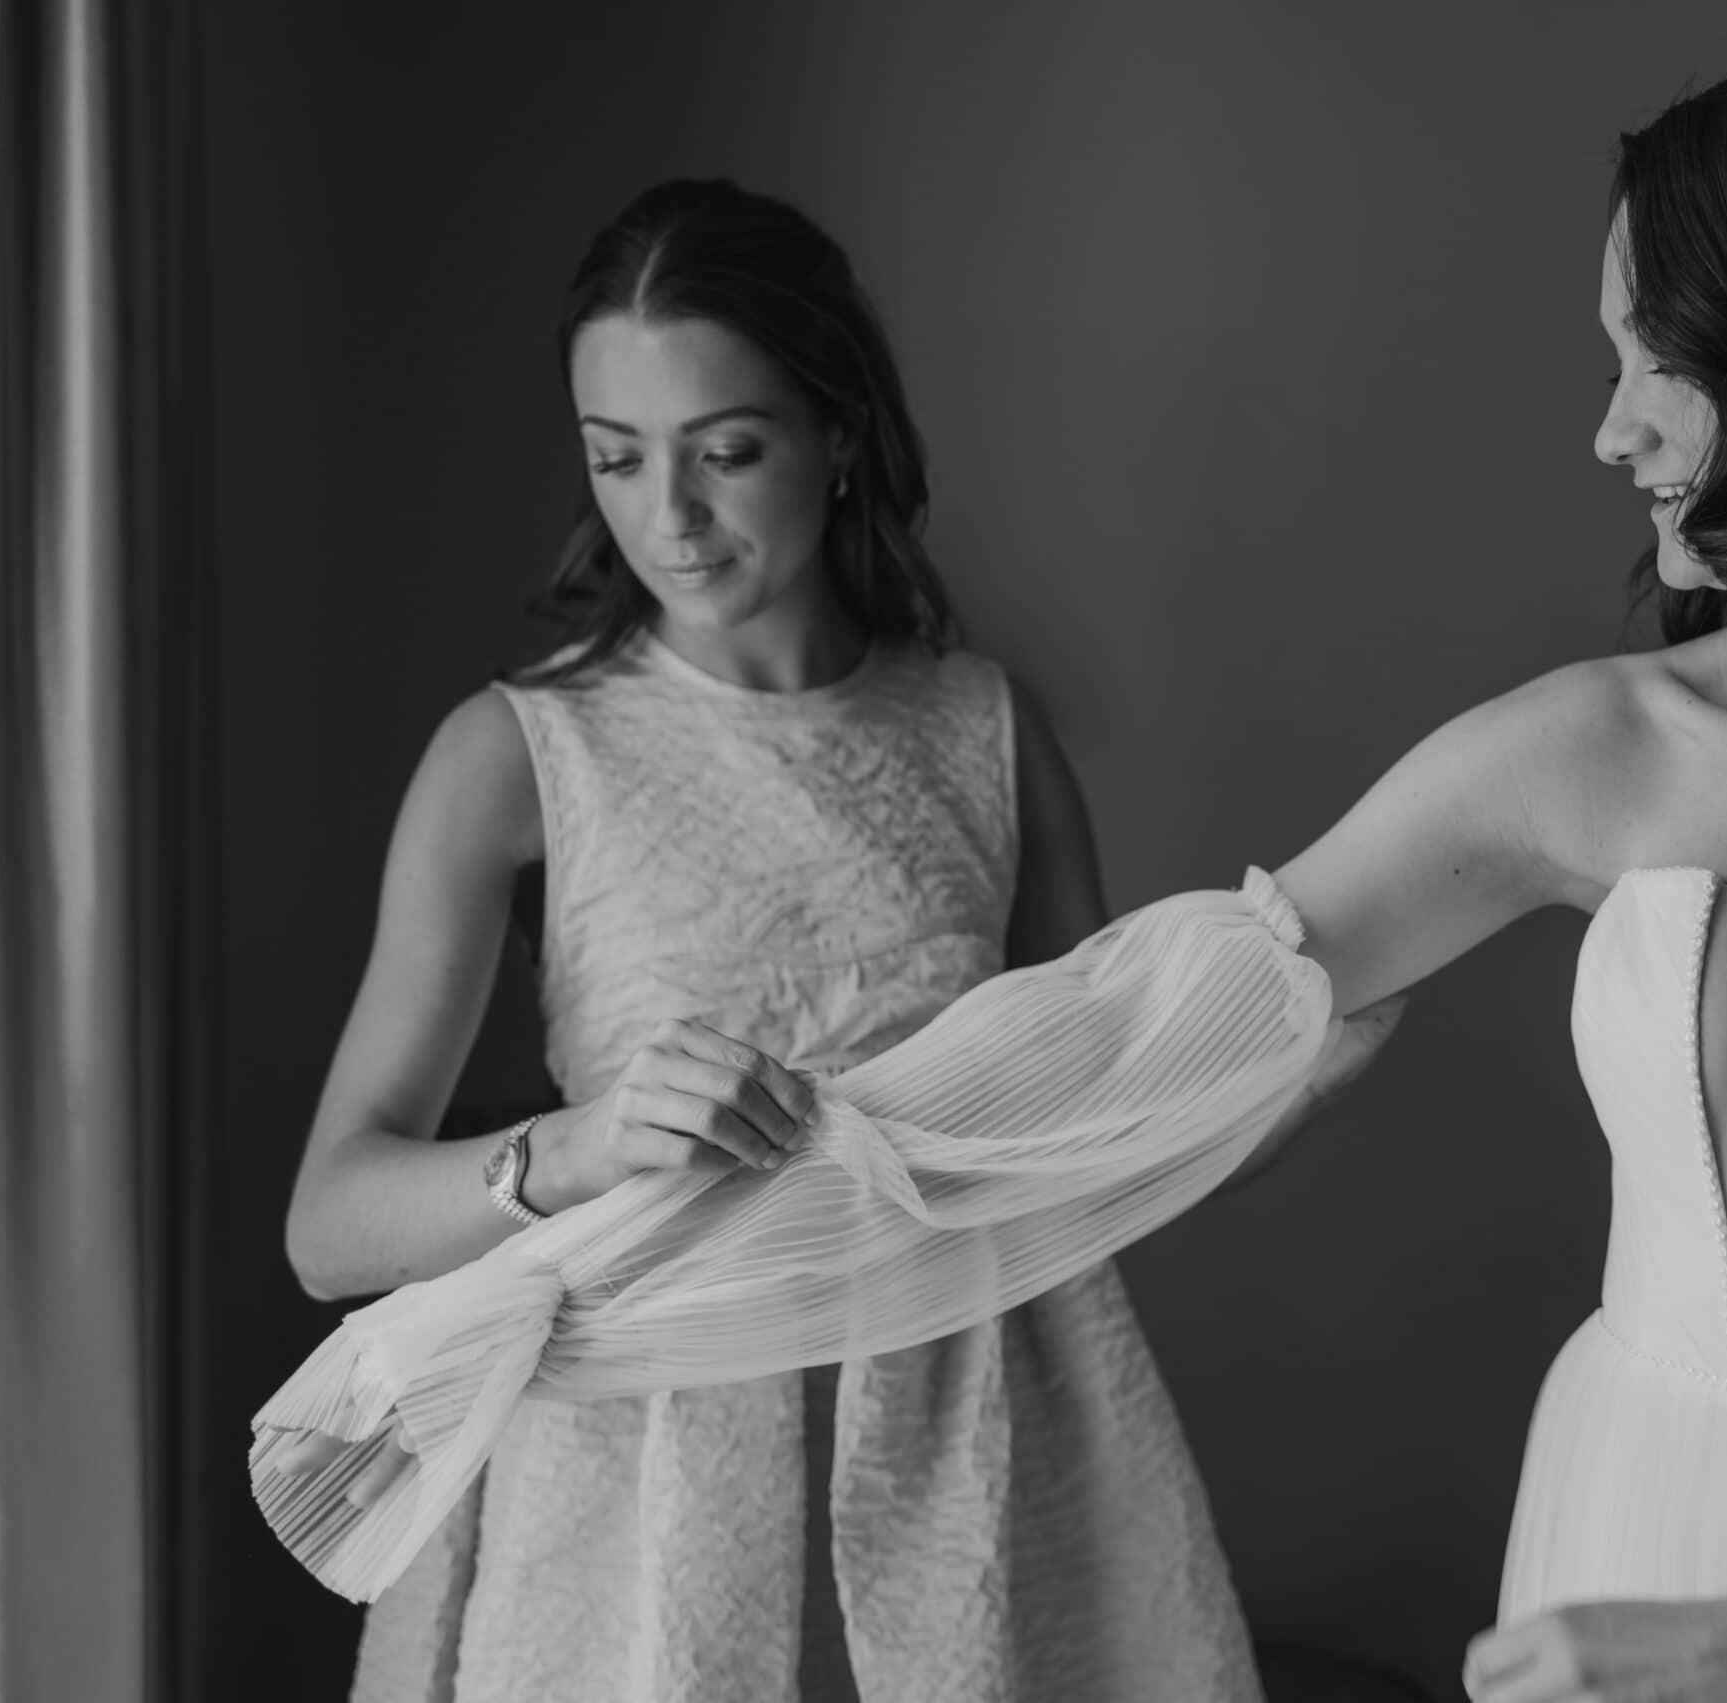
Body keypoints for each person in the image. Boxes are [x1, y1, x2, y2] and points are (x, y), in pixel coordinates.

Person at [263, 54, 1727, 1703]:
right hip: (1626, 1532)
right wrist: (525, 1290)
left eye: (1641, 361)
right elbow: (1102, 1046)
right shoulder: (1586, 745)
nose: (1603, 431)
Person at [277, 178, 1390, 1703]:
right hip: (643, 1464)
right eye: (616, 458)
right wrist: (579, 1147)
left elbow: (1102, 1148)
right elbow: (329, 1227)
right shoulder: (517, 755)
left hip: (981, 1427)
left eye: (726, 452)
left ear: (840, 435)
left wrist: (1301, 1075)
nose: (667, 517)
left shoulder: (984, 727)